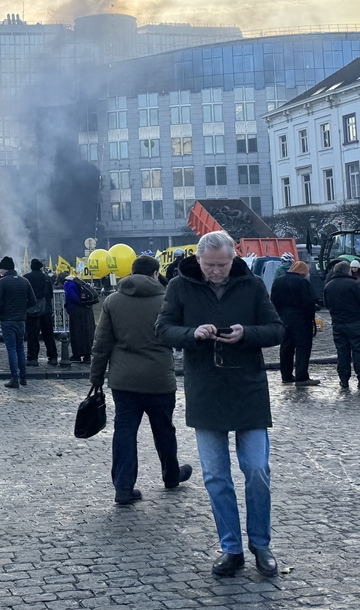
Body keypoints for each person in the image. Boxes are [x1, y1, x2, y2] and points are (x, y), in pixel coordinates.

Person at [156, 231, 284, 577]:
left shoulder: (253, 285)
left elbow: (276, 329)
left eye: (222, 264)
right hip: (206, 389)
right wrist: (192, 334)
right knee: (215, 476)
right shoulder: (180, 287)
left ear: (233, 258)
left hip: (248, 388)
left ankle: (261, 543)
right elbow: (163, 329)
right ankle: (231, 547)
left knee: (257, 470)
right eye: (210, 265)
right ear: (198, 260)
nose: (216, 271)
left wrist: (247, 334)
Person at [91, 255, 193, 505]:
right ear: (155, 274)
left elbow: (101, 344)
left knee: (124, 432)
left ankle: (124, 487)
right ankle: (171, 474)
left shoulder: (113, 301)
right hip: (159, 376)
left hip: (124, 379)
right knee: (164, 429)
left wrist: (96, 377)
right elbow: (180, 335)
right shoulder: (165, 299)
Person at [323, 260, 360, 389]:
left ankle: (344, 380)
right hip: (355, 322)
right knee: (359, 351)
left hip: (337, 323)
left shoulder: (328, 286)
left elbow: (326, 304)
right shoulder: (354, 284)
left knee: (342, 352)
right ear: (347, 271)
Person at [270, 261, 319, 387]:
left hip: (284, 319)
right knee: (302, 348)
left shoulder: (278, 281)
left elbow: (273, 300)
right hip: (301, 319)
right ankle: (301, 377)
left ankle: (286, 375)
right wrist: (311, 316)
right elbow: (309, 301)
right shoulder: (303, 282)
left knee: (286, 347)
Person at [0, 256, 34, 388]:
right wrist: (23, 309)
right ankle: (23, 377)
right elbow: (32, 300)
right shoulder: (24, 281)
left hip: (7, 319)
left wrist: (1, 312)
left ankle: (14, 378)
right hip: (21, 319)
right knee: (20, 348)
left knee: (11, 349)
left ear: (4, 269)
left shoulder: (2, 282)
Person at [25, 258, 58, 366]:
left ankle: (32, 358)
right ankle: (53, 357)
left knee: (32, 335)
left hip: (31, 311)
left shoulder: (26, 278)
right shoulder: (47, 278)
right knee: (48, 335)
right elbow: (50, 294)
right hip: (46, 310)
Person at [64, 274, 95, 364]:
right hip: (88, 310)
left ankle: (76, 355)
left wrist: (81, 303)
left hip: (77, 310)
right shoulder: (79, 282)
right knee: (87, 332)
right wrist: (85, 303)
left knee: (76, 332)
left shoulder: (68, 283)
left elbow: (71, 295)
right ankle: (87, 355)